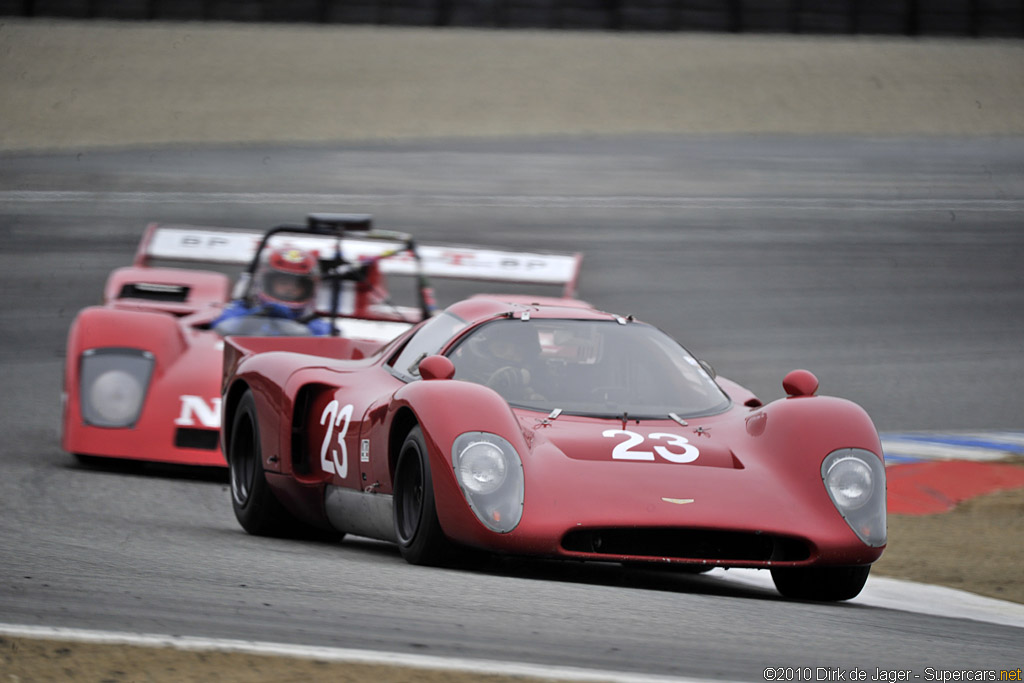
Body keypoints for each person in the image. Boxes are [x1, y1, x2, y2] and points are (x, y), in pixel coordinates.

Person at [211, 247, 332, 336]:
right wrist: (254, 317)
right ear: (265, 282)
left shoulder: (314, 324)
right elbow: (220, 326)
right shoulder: (242, 309)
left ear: (309, 289)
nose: (289, 288)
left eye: (297, 285)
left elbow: (326, 338)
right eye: (283, 283)